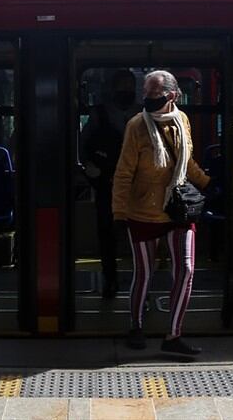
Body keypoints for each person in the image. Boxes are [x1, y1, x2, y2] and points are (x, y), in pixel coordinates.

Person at [112, 70, 211, 354]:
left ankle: (173, 335)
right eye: (146, 93)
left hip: (178, 209)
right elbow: (123, 172)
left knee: (186, 269)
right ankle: (136, 326)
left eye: (154, 94)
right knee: (144, 273)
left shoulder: (182, 120)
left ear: (172, 96)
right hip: (142, 212)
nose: (148, 99)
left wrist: (207, 183)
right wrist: (119, 212)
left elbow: (186, 161)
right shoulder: (136, 126)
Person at [80, 69, 141, 298]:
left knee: (140, 237)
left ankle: (140, 285)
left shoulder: (143, 113)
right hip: (107, 183)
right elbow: (83, 145)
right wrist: (90, 167)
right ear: (114, 89)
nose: (127, 91)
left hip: (137, 185)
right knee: (107, 234)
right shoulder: (100, 115)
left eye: (130, 86)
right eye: (122, 86)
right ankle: (110, 279)